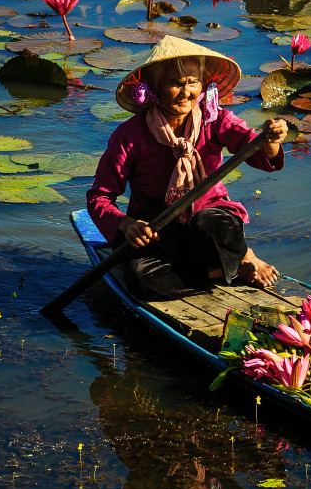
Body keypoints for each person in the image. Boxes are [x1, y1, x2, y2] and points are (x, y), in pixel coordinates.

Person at [87, 35, 288, 299]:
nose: (186, 92)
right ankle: (224, 271)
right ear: (154, 87)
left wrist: (271, 142)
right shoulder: (129, 135)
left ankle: (241, 256)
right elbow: (100, 197)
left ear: (203, 84)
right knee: (140, 280)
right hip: (157, 232)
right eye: (175, 83)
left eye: (193, 82)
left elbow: (254, 149)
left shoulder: (215, 119)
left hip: (209, 225)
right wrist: (126, 224)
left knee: (211, 223)